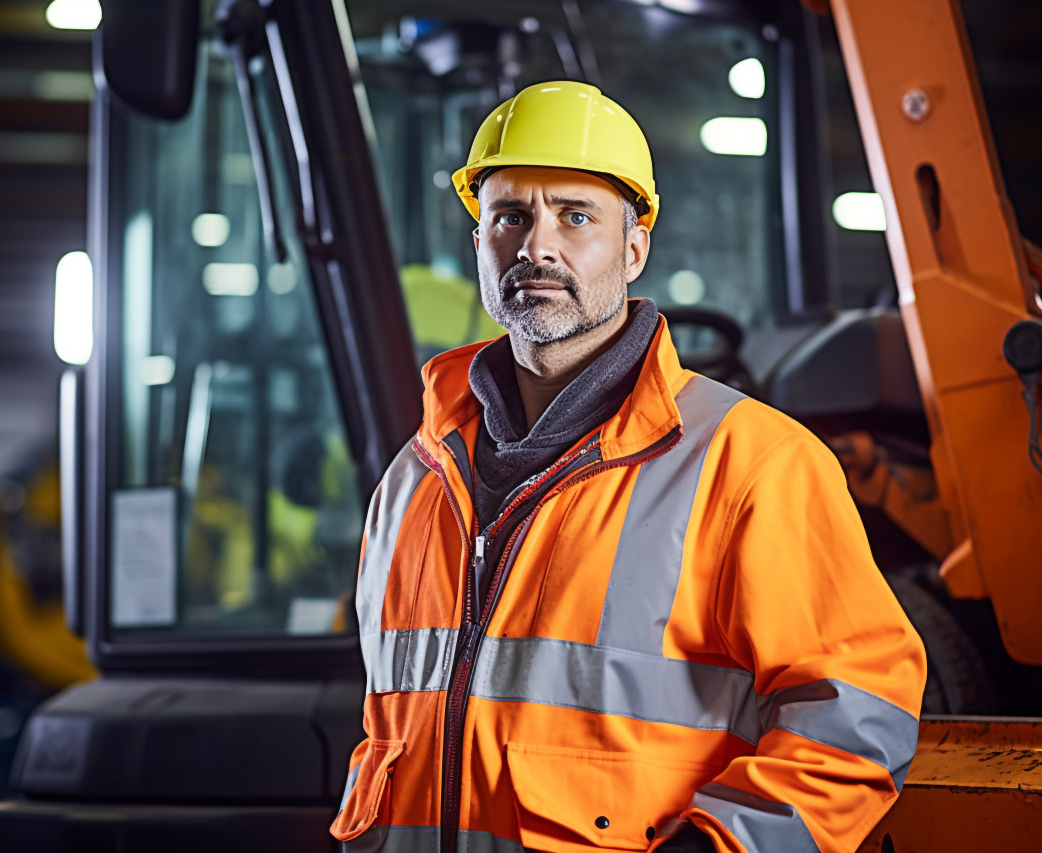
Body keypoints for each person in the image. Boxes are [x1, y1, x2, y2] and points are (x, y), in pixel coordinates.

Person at [331, 80, 927, 853]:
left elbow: (859, 714)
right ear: (479, 241)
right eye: (510, 216)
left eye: (576, 216)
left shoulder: (752, 464)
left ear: (634, 247)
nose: (536, 245)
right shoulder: (414, 477)